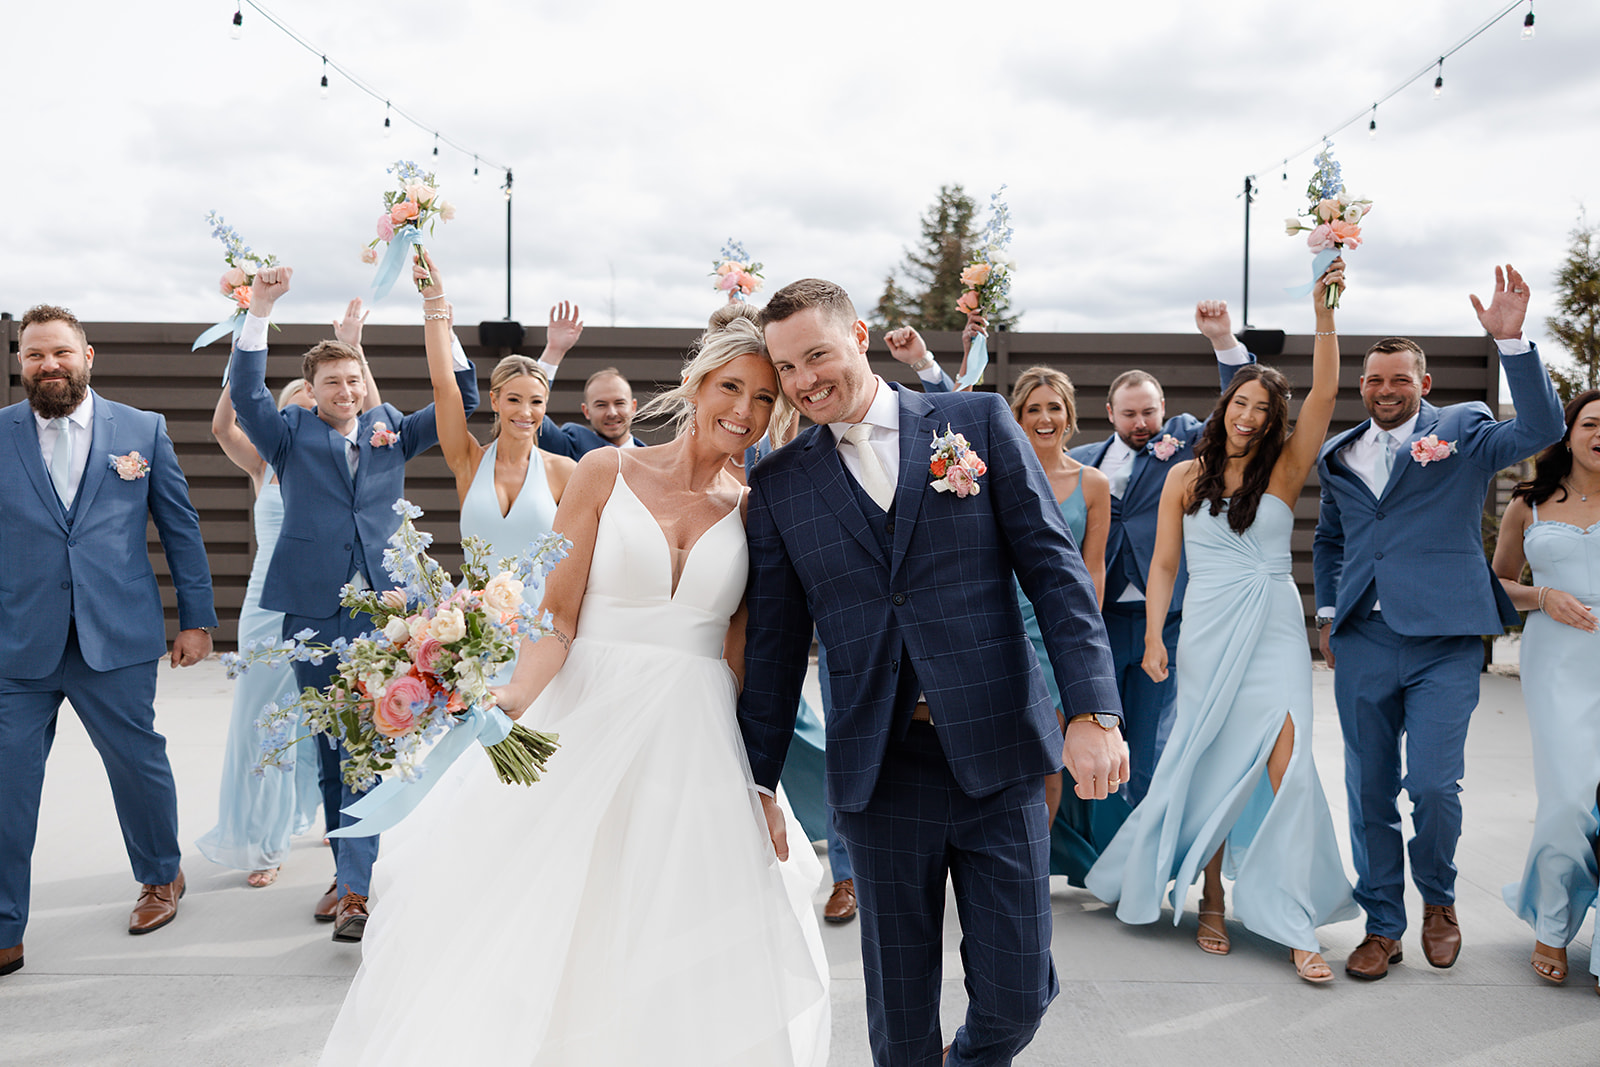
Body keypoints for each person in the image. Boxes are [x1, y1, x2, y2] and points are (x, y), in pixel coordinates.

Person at [320, 303, 830, 1065]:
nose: (745, 410)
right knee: (556, 912)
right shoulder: (604, 472)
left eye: (764, 397)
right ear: (696, 384)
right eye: (731, 386)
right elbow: (556, 617)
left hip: (697, 742)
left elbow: (741, 653)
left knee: (677, 926)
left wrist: (757, 781)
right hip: (587, 712)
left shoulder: (759, 507)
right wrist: (511, 699)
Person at [739, 279, 1126, 1067]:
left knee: (1019, 993)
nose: (804, 380)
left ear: (860, 336)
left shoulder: (975, 422)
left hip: (998, 753)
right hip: (880, 771)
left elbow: (1055, 573)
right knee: (900, 1008)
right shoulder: (779, 483)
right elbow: (776, 648)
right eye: (786, 368)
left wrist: (1093, 710)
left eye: (816, 354)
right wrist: (757, 781)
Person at [1086, 263, 1357, 984]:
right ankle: (1209, 895)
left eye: (1263, 409)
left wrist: (1324, 314)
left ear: (1272, 419)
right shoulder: (1184, 474)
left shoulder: (1286, 469)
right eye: (1241, 402)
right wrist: (1153, 636)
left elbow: (1325, 391)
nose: (1249, 416)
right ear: (1225, 404)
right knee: (1206, 759)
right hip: (1205, 626)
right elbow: (1164, 566)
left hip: (1273, 624)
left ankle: (1292, 917)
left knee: (1288, 767)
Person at [1314, 264, 1565, 980]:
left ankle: (1439, 901)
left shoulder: (1463, 428)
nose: (1386, 389)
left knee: (1430, 784)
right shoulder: (1338, 454)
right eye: (1374, 380)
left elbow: (1542, 428)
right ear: (1362, 386)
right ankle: (1382, 926)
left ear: (1423, 383)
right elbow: (1331, 539)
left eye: (1400, 379)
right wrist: (1329, 612)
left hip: (1444, 639)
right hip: (1363, 638)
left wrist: (1512, 343)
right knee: (1368, 788)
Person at [228, 266, 479, 943]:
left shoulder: (390, 428)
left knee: (368, 741)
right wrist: (259, 310)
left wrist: (438, 310)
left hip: (387, 612)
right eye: (332, 382)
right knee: (333, 744)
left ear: (365, 382)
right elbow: (246, 393)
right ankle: (350, 875)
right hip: (311, 611)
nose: (346, 391)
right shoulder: (288, 434)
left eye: (353, 379)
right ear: (312, 391)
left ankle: (356, 890)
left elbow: (463, 398)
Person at [1, 305, 217, 978]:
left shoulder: (142, 430)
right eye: (35, 354)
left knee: (135, 764)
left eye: (61, 352)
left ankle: (160, 875)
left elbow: (179, 527)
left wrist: (197, 619)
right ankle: (5, 926)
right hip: (18, 643)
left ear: (87, 356)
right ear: (20, 362)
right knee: (7, 783)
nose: (49, 364)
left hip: (116, 635)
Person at [194, 347, 376, 885]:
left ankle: (326, 812)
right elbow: (223, 426)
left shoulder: (344, 459)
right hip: (267, 603)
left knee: (327, 714)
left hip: (326, 599)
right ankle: (266, 842)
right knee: (265, 722)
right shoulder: (264, 463)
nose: (302, 415)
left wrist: (355, 348)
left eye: (308, 406)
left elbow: (368, 418)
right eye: (291, 407)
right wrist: (240, 347)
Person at [1069, 307, 1255, 804]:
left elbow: (1241, 406)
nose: (1141, 423)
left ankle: (1149, 840)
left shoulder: (1186, 442)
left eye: (1149, 412)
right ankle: (1106, 842)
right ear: (1109, 413)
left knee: (1154, 740)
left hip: (1166, 618)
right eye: (1129, 414)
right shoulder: (1082, 462)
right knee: (1099, 739)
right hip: (1102, 620)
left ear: (1163, 408)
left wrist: (1223, 340)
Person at [1490, 387, 1600, 994]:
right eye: (1591, 423)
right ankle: (1552, 922)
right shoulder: (1528, 502)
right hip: (1558, 657)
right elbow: (1499, 582)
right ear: (1570, 432)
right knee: (1568, 800)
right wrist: (1544, 596)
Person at [1007, 365, 1126, 885]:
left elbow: (1092, 569)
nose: (1044, 417)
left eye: (1053, 407)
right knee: (1006, 753)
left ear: (1069, 414)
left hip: (1055, 633)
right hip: (1003, 626)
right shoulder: (1000, 475)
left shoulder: (1092, 483)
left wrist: (1079, 645)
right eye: (1033, 408)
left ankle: (1031, 872)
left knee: (1049, 757)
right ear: (1018, 417)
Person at [415, 252, 576, 614]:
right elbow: (444, 386)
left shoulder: (565, 471)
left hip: (538, 626)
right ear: (495, 400)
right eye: (514, 399)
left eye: (536, 402)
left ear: (546, 405)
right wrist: (434, 301)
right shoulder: (468, 460)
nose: (525, 412)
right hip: (471, 629)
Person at [536, 365, 647, 456]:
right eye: (601, 405)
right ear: (586, 411)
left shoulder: (651, 460)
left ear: (633, 407)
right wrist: (553, 352)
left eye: (620, 403)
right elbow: (535, 419)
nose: (612, 413)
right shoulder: (573, 446)